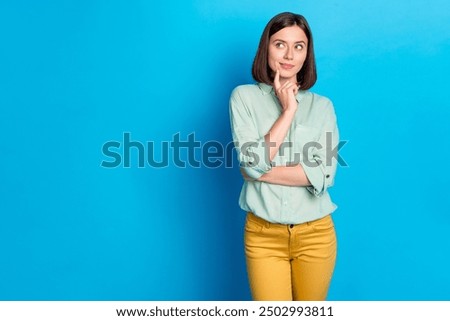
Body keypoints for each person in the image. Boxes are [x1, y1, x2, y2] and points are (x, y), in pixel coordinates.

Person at [229, 12, 340, 301]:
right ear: (266, 47)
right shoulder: (243, 98)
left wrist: (258, 170)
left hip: (316, 235)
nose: (289, 54)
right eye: (280, 44)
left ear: (307, 54)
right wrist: (289, 110)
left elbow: (324, 175)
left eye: (299, 46)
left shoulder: (323, 107)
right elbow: (253, 163)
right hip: (263, 236)